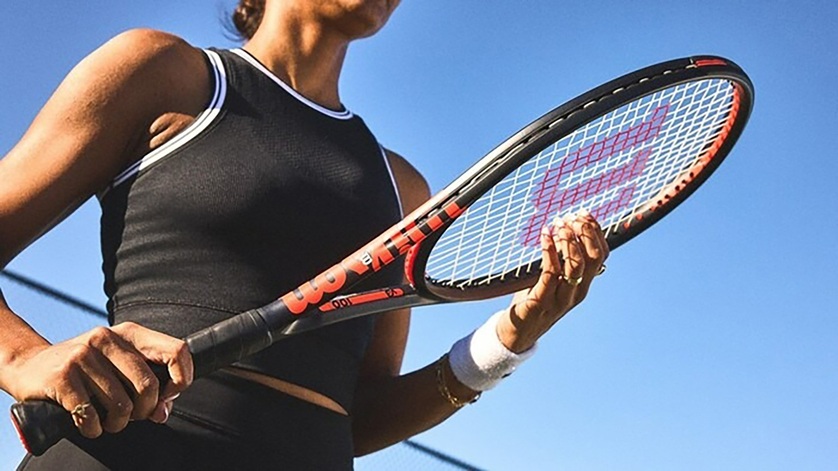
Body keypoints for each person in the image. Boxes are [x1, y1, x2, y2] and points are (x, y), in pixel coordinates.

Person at [0, 0, 609, 469]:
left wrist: (509, 339)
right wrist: (24, 357)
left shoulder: (402, 187)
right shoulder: (167, 74)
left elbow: (358, 414)